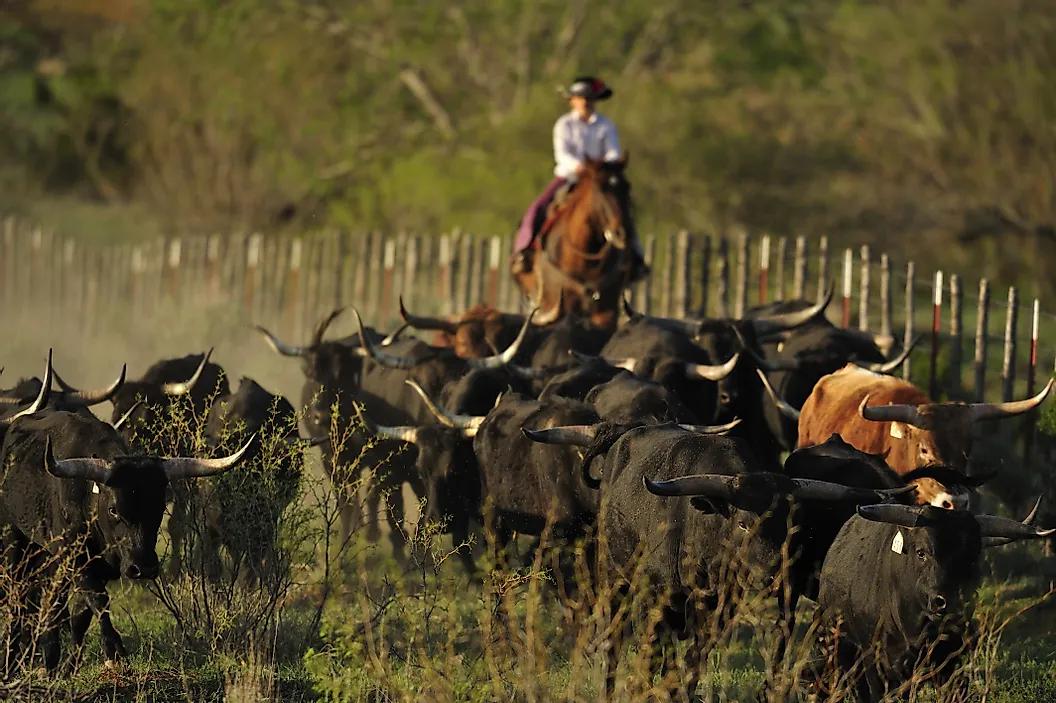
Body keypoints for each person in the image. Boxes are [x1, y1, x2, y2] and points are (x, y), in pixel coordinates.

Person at [512, 76, 647, 279]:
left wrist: (601, 168)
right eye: (581, 98)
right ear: (572, 100)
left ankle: (636, 258)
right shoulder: (564, 125)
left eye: (590, 98)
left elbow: (613, 153)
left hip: (600, 179)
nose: (586, 102)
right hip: (570, 177)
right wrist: (580, 167)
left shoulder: (605, 125)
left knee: (623, 210)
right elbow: (562, 154)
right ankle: (525, 250)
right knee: (538, 207)